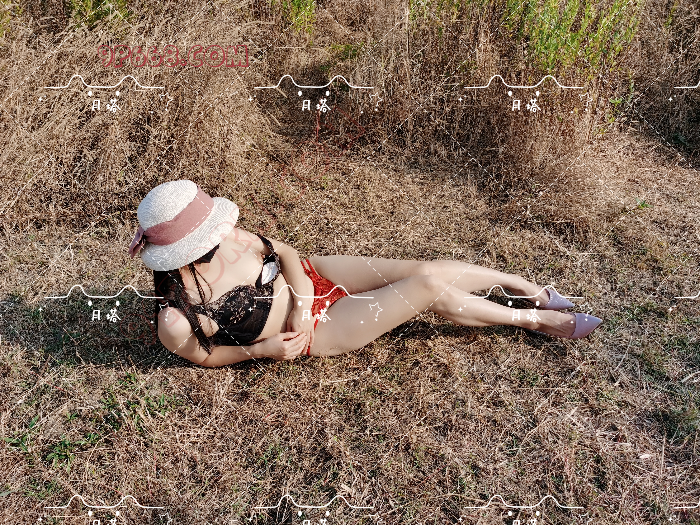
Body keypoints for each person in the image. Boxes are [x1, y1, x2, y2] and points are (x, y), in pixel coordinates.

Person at [128, 180, 602, 368]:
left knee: (424, 270)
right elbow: (206, 356)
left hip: (311, 279)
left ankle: (526, 288)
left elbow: (286, 252)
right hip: (318, 332)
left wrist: (302, 301)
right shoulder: (176, 319)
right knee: (428, 288)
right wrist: (263, 349)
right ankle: (537, 319)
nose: (224, 235)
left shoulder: (232, 235)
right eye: (209, 236)